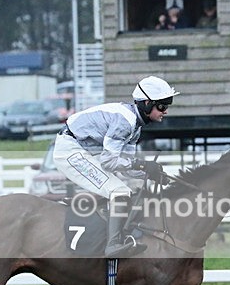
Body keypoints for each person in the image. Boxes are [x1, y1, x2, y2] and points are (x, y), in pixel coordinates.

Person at [53, 76, 179, 258]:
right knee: (119, 191)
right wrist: (143, 164)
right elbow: (109, 162)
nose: (165, 111)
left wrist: (149, 172)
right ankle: (113, 245)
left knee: (126, 189)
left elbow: (124, 164)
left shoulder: (135, 126)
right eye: (162, 106)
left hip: (84, 150)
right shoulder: (125, 122)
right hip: (70, 151)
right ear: (146, 103)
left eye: (167, 106)